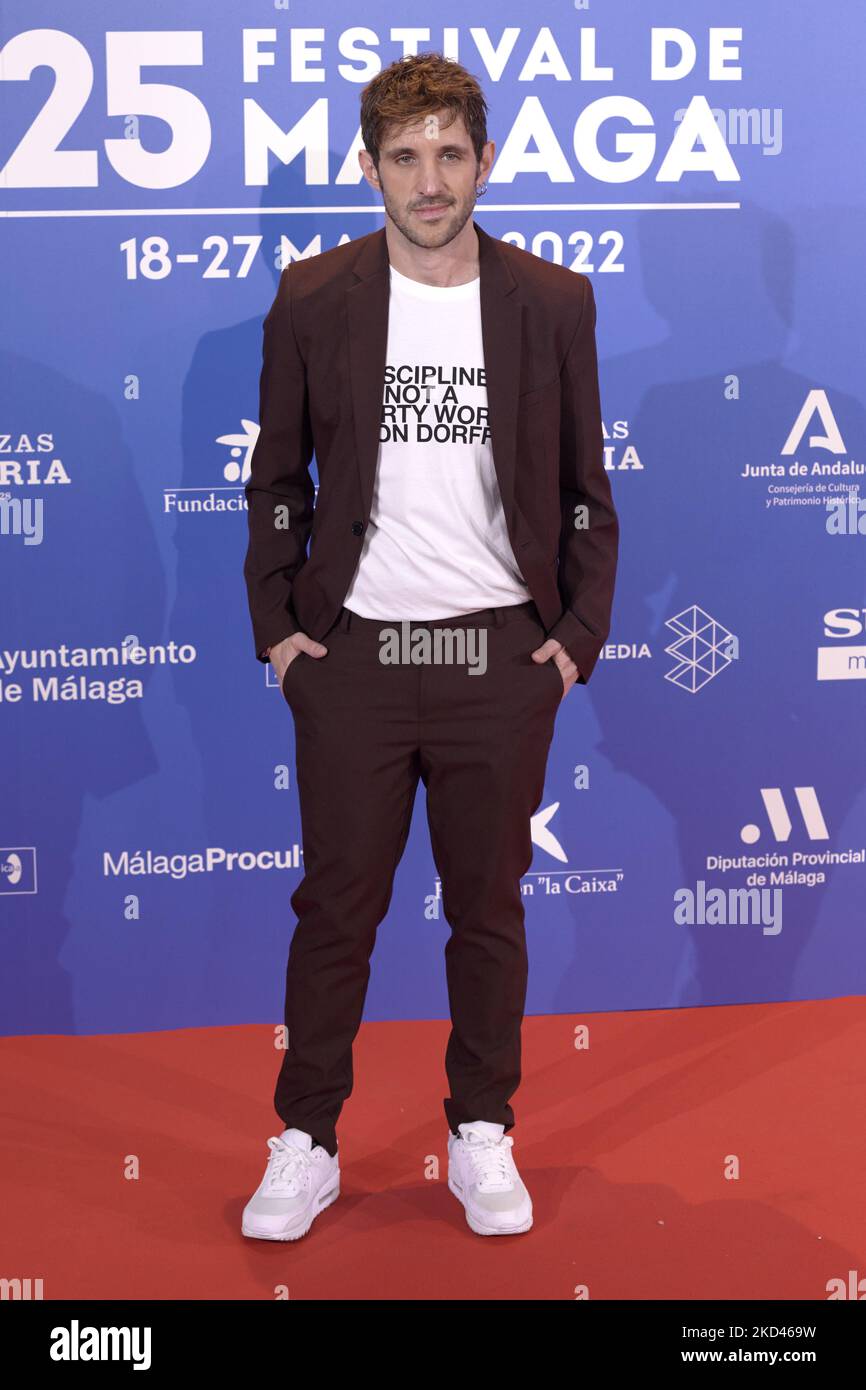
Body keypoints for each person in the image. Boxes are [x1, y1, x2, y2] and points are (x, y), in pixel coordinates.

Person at [241, 52, 619, 1241]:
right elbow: (276, 482)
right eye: (403, 157)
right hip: (349, 658)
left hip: (496, 664)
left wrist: (568, 642)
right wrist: (283, 634)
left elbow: (582, 492)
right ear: (370, 168)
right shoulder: (314, 296)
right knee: (335, 909)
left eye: (450, 153)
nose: (429, 179)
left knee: (488, 909)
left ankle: (480, 1130)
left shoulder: (550, 301)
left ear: (485, 160)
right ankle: (303, 1138)